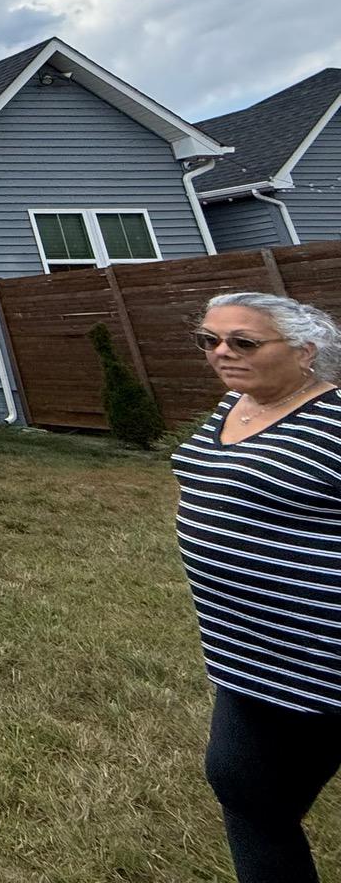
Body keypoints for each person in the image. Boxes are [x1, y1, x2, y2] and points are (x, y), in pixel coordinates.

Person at [174, 291, 341, 882]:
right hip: (250, 655)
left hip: (323, 658)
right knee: (247, 794)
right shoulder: (232, 405)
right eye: (209, 340)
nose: (221, 353)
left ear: (304, 352)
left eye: (242, 342)